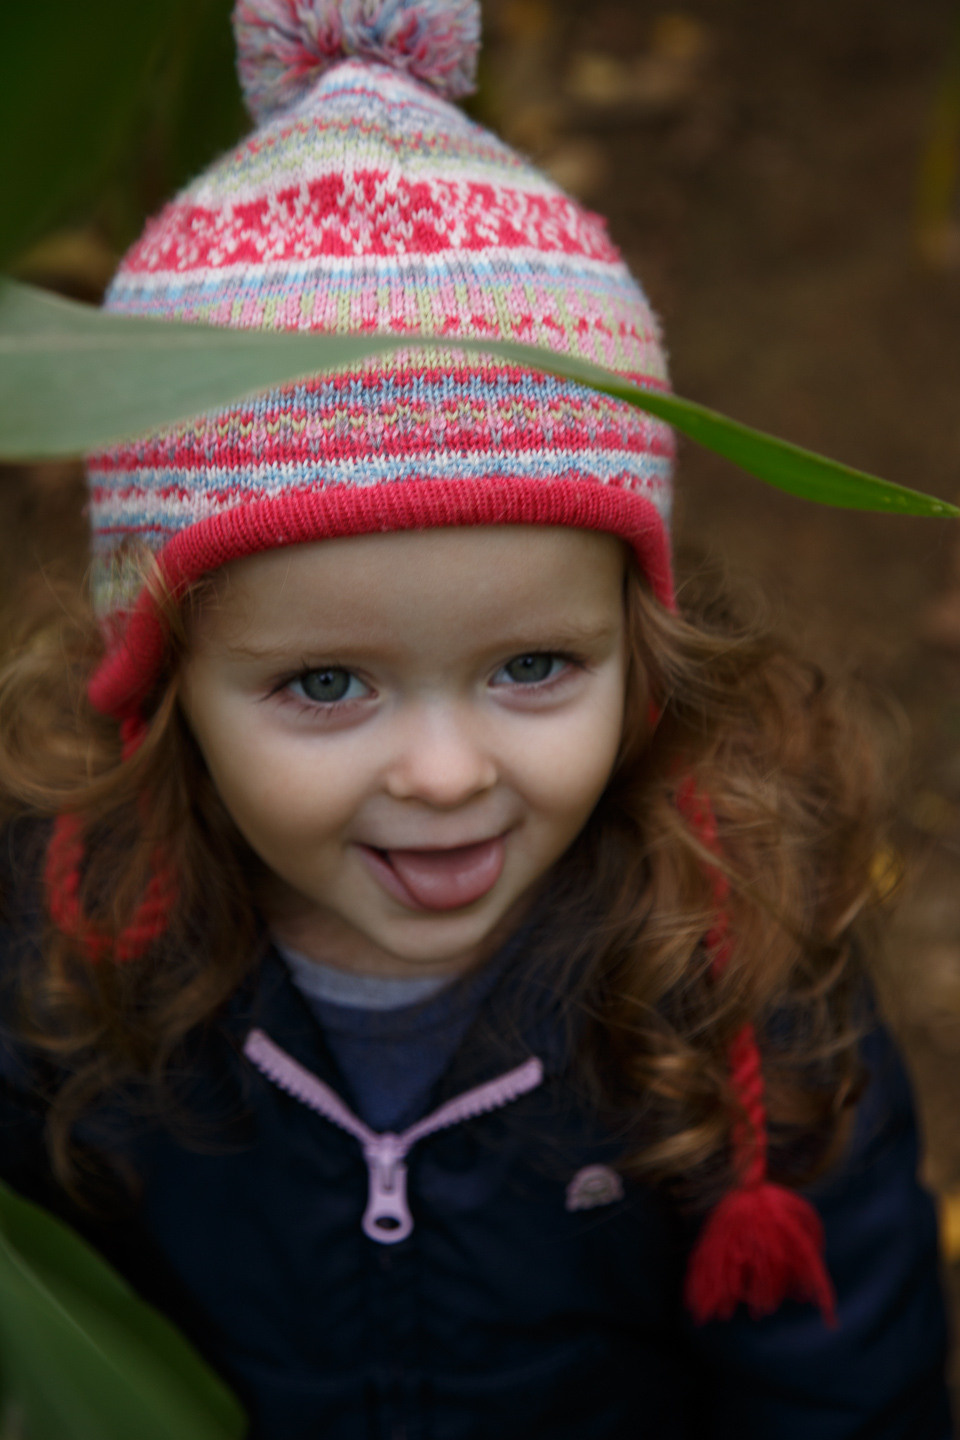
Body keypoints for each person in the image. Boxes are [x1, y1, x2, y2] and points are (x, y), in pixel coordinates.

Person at [0, 0, 950, 1434]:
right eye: (325, 686)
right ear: (158, 680)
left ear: (642, 636)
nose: (447, 775)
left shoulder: (732, 956)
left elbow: (844, 1382)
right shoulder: (70, 958)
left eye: (532, 668)